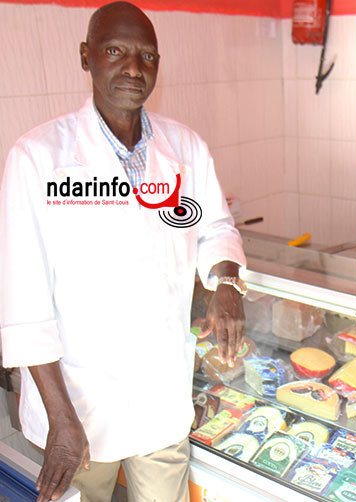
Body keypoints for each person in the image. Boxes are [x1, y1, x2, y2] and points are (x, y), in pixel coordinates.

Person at [0, 2, 247, 501]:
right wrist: (60, 421)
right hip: (81, 403)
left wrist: (225, 282)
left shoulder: (186, 148)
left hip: (161, 393)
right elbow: (22, 300)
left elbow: (215, 226)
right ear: (85, 57)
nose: (134, 68)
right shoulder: (39, 157)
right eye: (115, 51)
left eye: (147, 56)